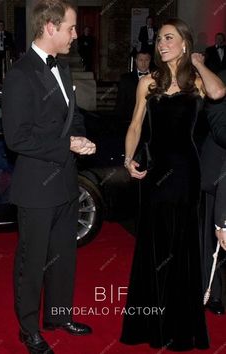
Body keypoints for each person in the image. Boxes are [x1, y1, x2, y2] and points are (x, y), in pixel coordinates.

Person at [120, 18, 225, 351]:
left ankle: (179, 324)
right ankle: (152, 322)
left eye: (169, 38)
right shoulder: (148, 83)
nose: (161, 44)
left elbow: (219, 91)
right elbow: (135, 125)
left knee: (181, 245)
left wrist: (197, 62)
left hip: (186, 172)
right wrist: (128, 158)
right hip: (156, 171)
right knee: (153, 242)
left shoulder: (196, 80)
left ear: (184, 43)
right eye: (160, 39)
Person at [2, 1, 96, 353]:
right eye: (71, 28)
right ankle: (29, 329)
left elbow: (72, 116)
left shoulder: (64, 69)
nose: (76, 34)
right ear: (51, 27)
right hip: (35, 189)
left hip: (66, 184)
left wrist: (82, 137)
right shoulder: (21, 73)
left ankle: (58, 316)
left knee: (63, 256)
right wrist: (67, 145)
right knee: (32, 261)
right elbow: (17, 137)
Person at [200, 71, 226, 315]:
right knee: (212, 237)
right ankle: (212, 292)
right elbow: (220, 130)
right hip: (217, 175)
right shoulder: (218, 80)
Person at [115, 51, 151, 122]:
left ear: (150, 60)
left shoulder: (157, 77)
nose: (143, 63)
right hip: (131, 117)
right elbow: (121, 101)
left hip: (151, 118)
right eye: (141, 60)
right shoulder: (125, 78)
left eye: (146, 60)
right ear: (136, 61)